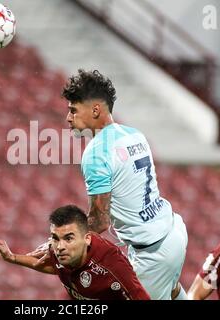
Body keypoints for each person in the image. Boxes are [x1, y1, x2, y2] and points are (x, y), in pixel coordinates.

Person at [58, 69, 189, 300]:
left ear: (95, 109)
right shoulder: (134, 134)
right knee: (172, 291)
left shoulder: (96, 152)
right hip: (173, 230)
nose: (68, 117)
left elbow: (100, 220)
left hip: (152, 253)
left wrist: (59, 243)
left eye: (73, 110)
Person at [0, 205, 150, 300]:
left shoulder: (112, 266)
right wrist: (12, 257)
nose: (60, 246)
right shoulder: (55, 249)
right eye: (55, 238)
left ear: (87, 239)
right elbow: (47, 265)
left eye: (69, 238)